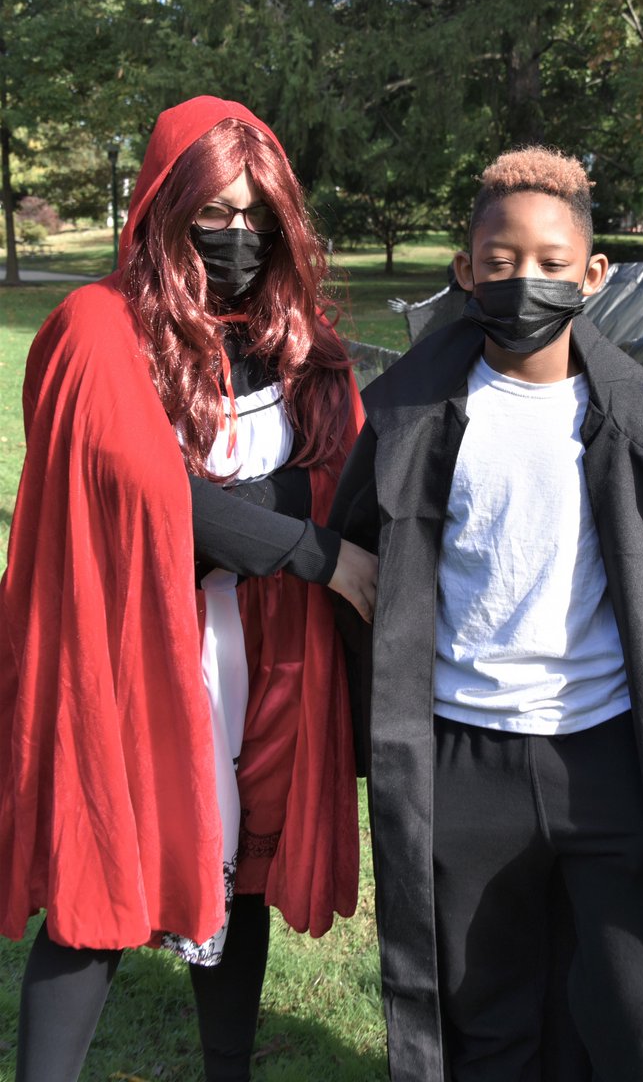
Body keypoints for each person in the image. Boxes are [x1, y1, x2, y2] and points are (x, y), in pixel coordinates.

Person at [329, 146, 643, 1082]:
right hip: (463, 763)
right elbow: (357, 566)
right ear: (465, 271)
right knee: (483, 1023)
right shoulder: (408, 421)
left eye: (549, 263)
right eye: (497, 263)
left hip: (608, 759)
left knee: (641, 1021)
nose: (523, 281)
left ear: (593, 272)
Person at [0, 95, 377, 1082]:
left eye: (259, 216)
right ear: (167, 210)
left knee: (239, 878)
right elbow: (141, 491)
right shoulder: (99, 327)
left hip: (261, 659)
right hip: (133, 652)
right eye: (215, 213)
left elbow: (341, 468)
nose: (239, 236)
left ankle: (228, 1072)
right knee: (101, 880)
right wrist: (309, 547)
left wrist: (246, 519)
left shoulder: (295, 342)